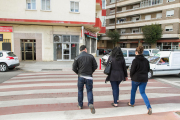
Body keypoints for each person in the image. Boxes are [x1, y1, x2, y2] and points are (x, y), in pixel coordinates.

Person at [72, 45, 98, 114]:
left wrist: (79, 73)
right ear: (85, 49)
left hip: (81, 76)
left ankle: (80, 105)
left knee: (80, 91)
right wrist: (91, 72)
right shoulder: (91, 56)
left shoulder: (77, 57)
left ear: (80, 50)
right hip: (89, 77)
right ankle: (90, 103)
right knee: (89, 91)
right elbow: (95, 66)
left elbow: (74, 68)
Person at [128, 46, 152, 115]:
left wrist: (132, 76)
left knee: (133, 91)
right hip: (144, 79)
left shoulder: (135, 60)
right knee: (143, 93)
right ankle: (149, 107)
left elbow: (132, 70)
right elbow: (148, 70)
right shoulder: (146, 61)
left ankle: (132, 103)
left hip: (136, 79)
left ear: (136, 52)